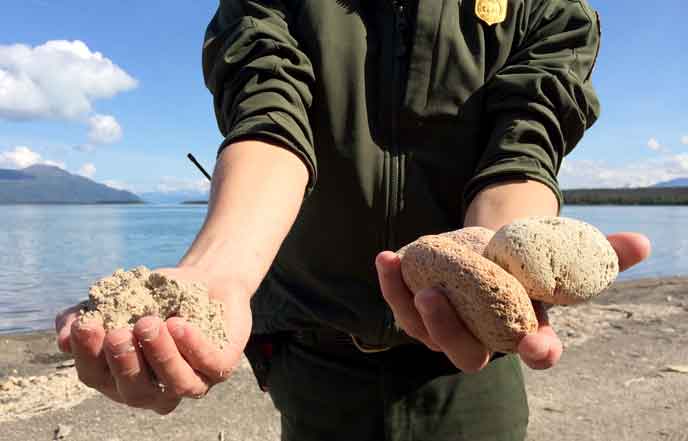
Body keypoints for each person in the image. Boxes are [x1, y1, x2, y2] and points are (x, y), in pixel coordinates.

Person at [56, 1, 651, 439]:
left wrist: (498, 259)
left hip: (468, 366)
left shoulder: (547, 9)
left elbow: (523, 146)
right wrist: (220, 274)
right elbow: (270, 116)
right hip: (313, 355)